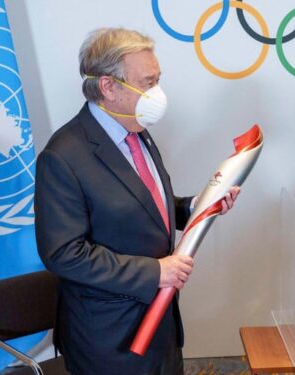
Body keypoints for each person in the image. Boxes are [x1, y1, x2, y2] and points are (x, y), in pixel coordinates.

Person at [35, 28, 239, 375]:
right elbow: (64, 253)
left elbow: (144, 205)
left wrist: (195, 206)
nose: (157, 93)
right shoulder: (63, 156)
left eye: (157, 80)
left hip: (161, 326)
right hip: (109, 340)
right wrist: (154, 271)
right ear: (108, 87)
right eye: (147, 83)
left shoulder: (137, 131)